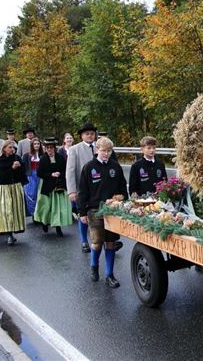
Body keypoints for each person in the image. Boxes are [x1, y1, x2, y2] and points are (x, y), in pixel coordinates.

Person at [78, 137, 128, 288]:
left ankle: (109, 275)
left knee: (111, 242)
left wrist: (122, 200)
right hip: (95, 209)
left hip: (112, 210)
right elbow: (83, 192)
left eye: (109, 151)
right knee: (97, 242)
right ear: (96, 150)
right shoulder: (89, 167)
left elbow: (122, 188)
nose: (106, 154)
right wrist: (82, 213)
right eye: (103, 151)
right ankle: (94, 266)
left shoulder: (115, 167)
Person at [66, 122, 98, 253]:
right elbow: (70, 170)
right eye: (87, 134)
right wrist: (72, 190)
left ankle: (104, 239)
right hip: (82, 189)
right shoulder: (75, 149)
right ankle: (84, 240)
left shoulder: (99, 147)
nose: (90, 136)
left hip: (99, 188)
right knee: (83, 215)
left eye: (92, 133)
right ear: (82, 136)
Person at [34, 137, 73, 237]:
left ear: (54, 148)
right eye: (48, 148)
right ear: (45, 149)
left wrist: (59, 174)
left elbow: (66, 170)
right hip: (47, 185)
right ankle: (44, 222)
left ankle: (58, 227)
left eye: (51, 148)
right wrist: (51, 174)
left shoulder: (60, 158)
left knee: (57, 208)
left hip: (58, 186)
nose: (50, 150)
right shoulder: (43, 159)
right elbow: (39, 173)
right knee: (46, 206)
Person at [0, 140, 28, 245]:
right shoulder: (0, 160)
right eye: (10, 147)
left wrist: (20, 167)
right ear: (4, 149)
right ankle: (9, 235)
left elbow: (23, 172)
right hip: (4, 189)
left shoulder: (17, 158)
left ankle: (13, 231)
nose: (12, 149)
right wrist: (12, 168)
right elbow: (1, 175)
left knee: (15, 210)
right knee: (6, 211)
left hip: (16, 187)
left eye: (13, 147)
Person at [22, 137, 43, 217]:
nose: (36, 145)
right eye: (35, 144)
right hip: (31, 176)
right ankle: (33, 213)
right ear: (32, 145)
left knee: (40, 195)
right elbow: (24, 168)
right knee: (32, 194)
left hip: (40, 176)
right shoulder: (26, 155)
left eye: (38, 144)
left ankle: (40, 214)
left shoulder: (43, 155)